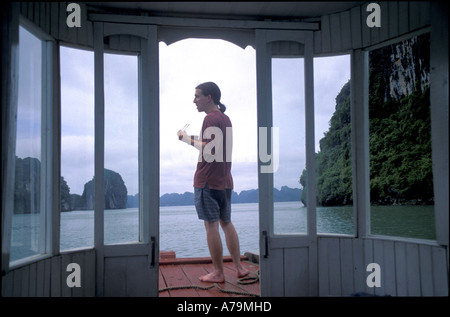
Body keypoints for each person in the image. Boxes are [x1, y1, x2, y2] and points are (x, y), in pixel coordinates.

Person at [177, 82, 249, 283]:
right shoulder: (225, 119)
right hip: (225, 180)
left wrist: (185, 139)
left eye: (197, 96)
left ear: (209, 97)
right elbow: (214, 145)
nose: (194, 100)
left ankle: (218, 273)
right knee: (226, 223)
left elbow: (208, 149)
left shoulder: (210, 118)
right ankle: (240, 267)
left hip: (207, 181)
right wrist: (192, 138)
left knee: (211, 227)